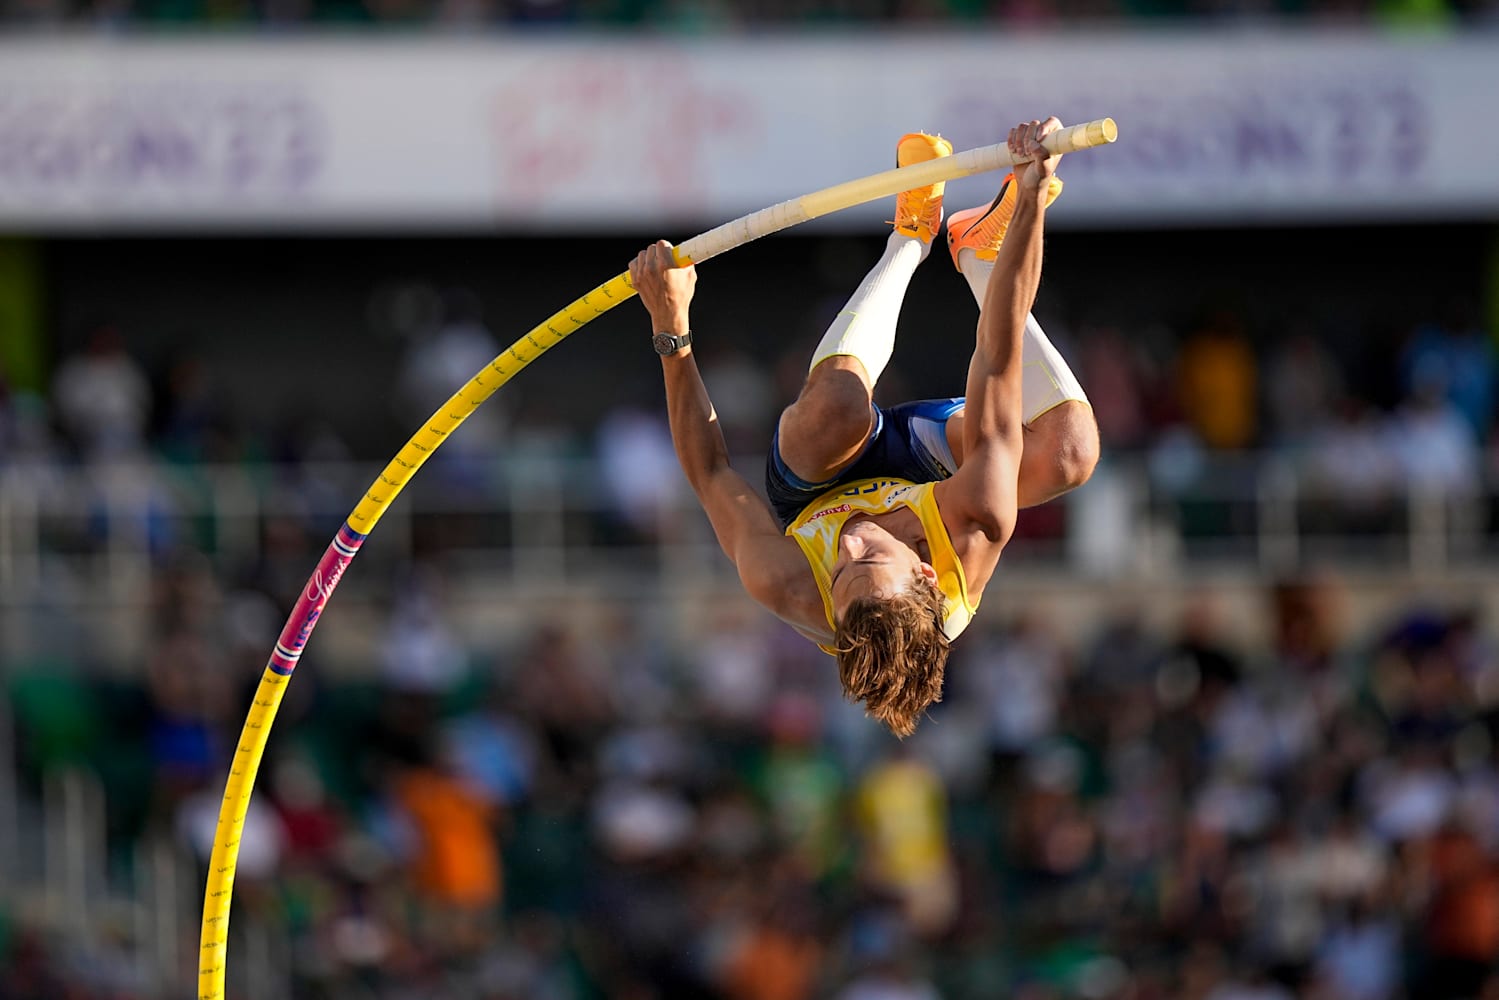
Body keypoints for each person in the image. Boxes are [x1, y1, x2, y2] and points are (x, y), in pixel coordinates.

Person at [628, 118, 1098, 737]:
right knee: (1070, 452)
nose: (851, 544)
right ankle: (973, 249)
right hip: (932, 471)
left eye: (841, 572)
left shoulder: (790, 583)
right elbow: (997, 350)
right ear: (925, 572)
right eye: (871, 558)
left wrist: (672, 325)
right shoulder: (975, 525)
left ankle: (909, 233)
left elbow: (712, 474)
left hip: (817, 481)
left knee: (837, 411)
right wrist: (1031, 195)